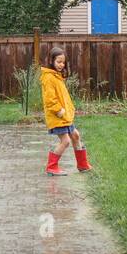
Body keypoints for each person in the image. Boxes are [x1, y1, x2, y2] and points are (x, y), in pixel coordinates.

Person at [39, 46, 91, 176]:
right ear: (51, 61)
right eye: (58, 62)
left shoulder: (57, 76)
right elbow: (49, 99)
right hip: (57, 116)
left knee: (75, 135)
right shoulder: (48, 77)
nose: (61, 65)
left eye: (63, 62)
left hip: (65, 116)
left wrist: (69, 109)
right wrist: (59, 110)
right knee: (66, 141)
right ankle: (51, 166)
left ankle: (82, 164)